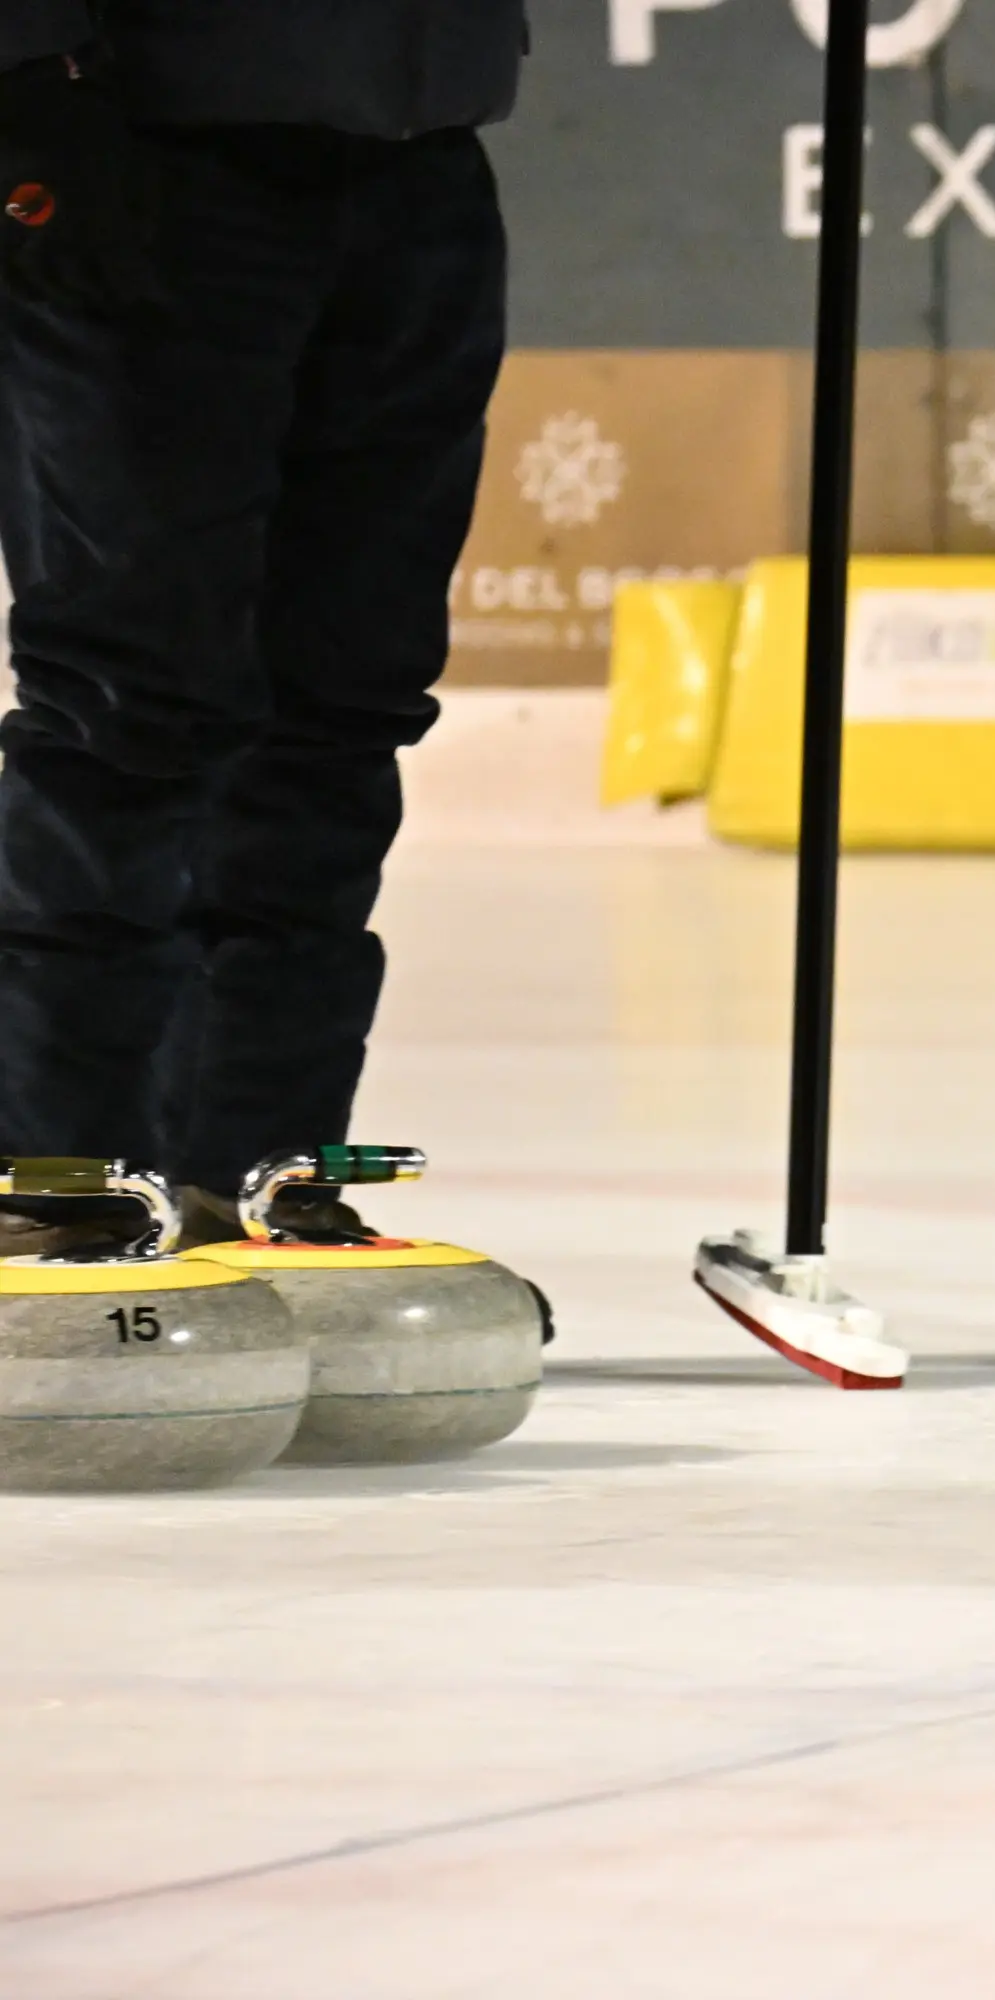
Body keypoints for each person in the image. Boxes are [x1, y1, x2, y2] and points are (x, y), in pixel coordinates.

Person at [0, 3, 519, 1251]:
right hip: (141, 137)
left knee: (346, 701)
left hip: (422, 156)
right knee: (129, 697)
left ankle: (260, 1165)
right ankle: (55, 1176)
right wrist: (25, 74)